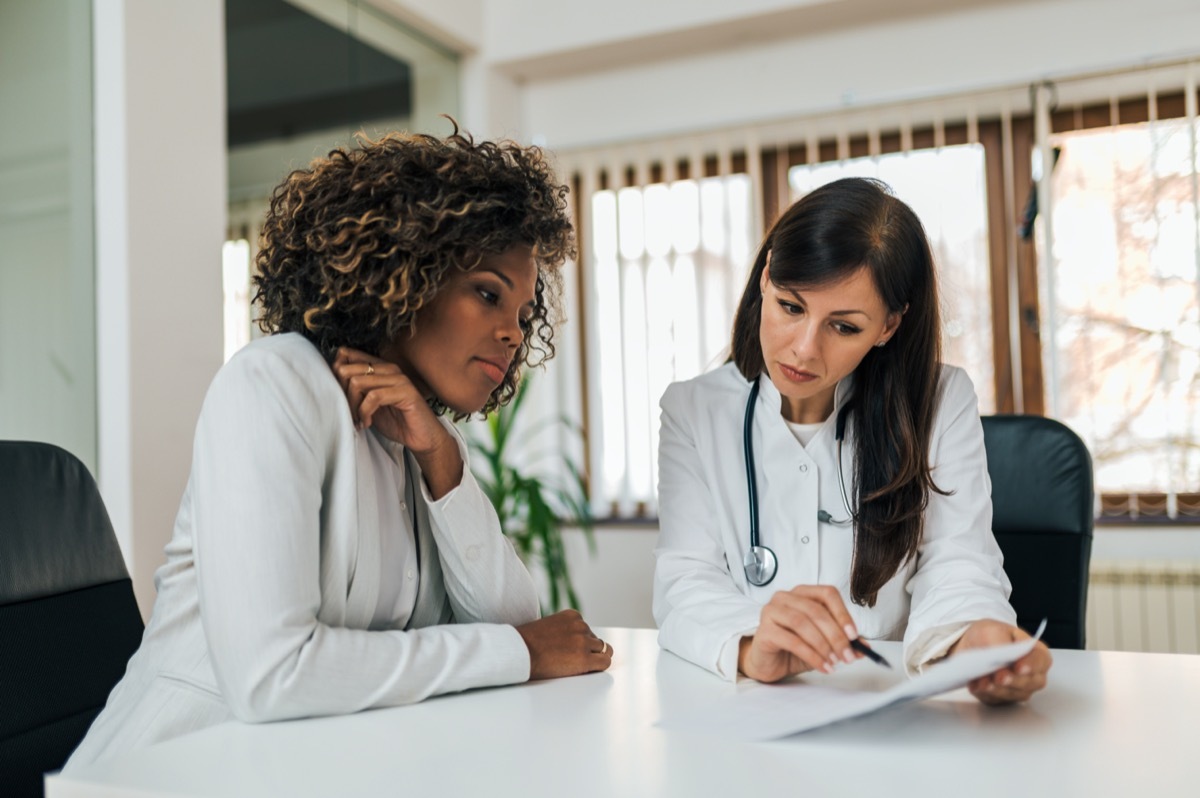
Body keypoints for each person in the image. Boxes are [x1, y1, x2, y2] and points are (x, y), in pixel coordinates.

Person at [65, 125, 612, 770]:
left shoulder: (412, 433)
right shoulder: (271, 387)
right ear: (408, 270)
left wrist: (440, 459)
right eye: (488, 293)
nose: (512, 334)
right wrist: (516, 652)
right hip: (166, 773)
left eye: (522, 315)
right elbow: (273, 674)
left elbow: (516, 618)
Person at [653, 177, 1050, 704]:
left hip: (889, 706)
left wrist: (972, 638)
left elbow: (958, 559)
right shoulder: (692, 410)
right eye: (790, 307)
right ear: (766, 277)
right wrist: (751, 644)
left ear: (888, 326)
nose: (803, 350)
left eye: (843, 327)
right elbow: (685, 581)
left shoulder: (939, 400)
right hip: (748, 706)